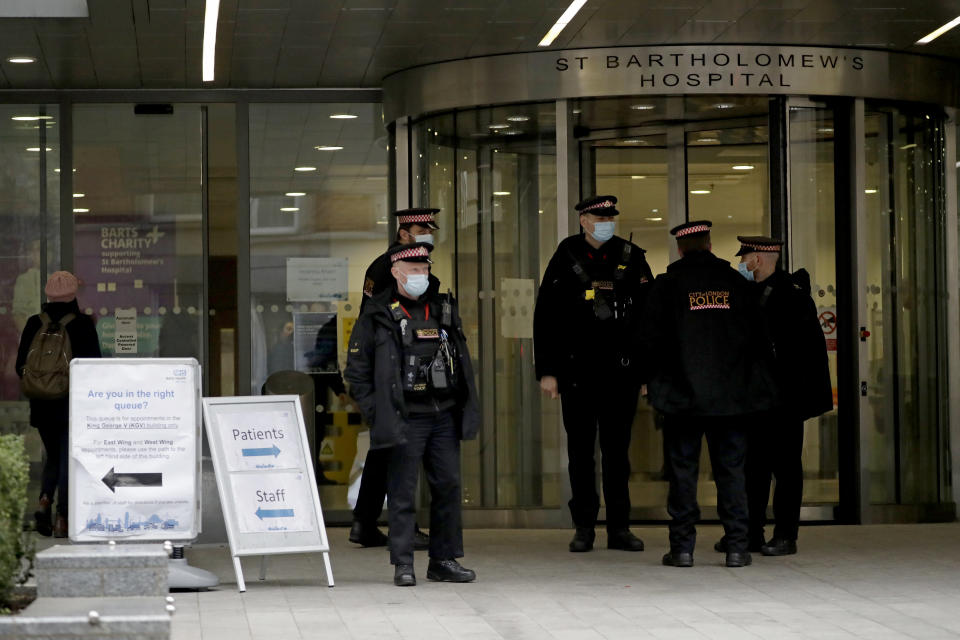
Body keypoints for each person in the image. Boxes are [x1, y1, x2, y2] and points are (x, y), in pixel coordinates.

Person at [638, 221, 777, 568]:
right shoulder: (736, 284)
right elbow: (759, 338)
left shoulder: (668, 285)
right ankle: (737, 547)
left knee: (683, 473)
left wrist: (651, 383)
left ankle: (682, 548)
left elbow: (649, 341)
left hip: (682, 399)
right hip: (730, 399)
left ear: (681, 249)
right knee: (731, 472)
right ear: (711, 245)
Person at [344, 241, 480, 586]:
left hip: (443, 413)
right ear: (396, 273)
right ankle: (403, 563)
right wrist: (378, 414)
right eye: (414, 269)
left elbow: (461, 359)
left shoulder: (441, 308)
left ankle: (444, 559)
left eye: (425, 269)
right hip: (405, 416)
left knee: (448, 486)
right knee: (403, 492)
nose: (421, 275)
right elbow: (357, 372)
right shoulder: (377, 314)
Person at [533, 195, 653, 553]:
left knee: (618, 454)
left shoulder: (632, 256)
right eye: (599, 216)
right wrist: (548, 371)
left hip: (621, 373)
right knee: (581, 453)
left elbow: (648, 319)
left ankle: (620, 528)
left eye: (610, 216)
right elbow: (546, 317)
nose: (606, 221)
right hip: (577, 372)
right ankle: (584, 526)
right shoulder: (565, 256)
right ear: (583, 220)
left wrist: (647, 371)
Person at [726, 236, 833, 556]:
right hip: (755, 398)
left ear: (758, 259)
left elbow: (800, 355)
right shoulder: (749, 292)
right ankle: (752, 532)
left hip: (785, 399)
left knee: (785, 468)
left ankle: (786, 535)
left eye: (745, 258)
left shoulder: (791, 296)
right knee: (753, 468)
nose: (742, 264)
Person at [350, 208, 441, 549]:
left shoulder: (401, 265)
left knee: (386, 449)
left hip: (403, 371)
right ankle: (402, 525)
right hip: (394, 372)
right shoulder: (388, 268)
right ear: (404, 233)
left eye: (430, 229)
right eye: (421, 228)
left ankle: (364, 520)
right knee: (401, 451)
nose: (428, 234)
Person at [15, 271, 101, 538]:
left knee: (53, 454)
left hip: (42, 406)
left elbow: (21, 366)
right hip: (71, 404)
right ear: (74, 294)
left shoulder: (33, 323)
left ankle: (43, 502)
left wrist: (44, 386)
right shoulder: (83, 324)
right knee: (67, 457)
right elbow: (92, 367)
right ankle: (63, 517)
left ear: (48, 295)